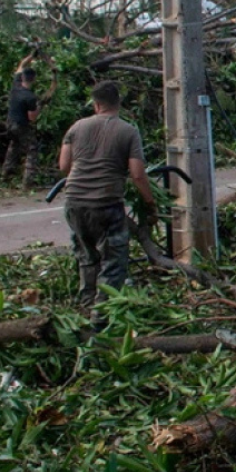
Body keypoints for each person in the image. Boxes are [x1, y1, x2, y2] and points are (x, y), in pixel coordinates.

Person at [58, 81, 156, 322]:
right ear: (118, 104)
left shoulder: (76, 127)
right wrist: (150, 203)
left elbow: (63, 167)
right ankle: (101, 318)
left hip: (74, 203)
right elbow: (137, 174)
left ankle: (86, 306)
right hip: (106, 204)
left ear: (96, 104)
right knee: (113, 260)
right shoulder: (128, 131)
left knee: (86, 255)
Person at [3, 63, 41, 188]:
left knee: (14, 145)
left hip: (9, 123)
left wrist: (31, 56)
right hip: (20, 125)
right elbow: (32, 118)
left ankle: (6, 175)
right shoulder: (30, 97)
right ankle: (28, 181)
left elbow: (21, 65)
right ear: (34, 79)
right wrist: (38, 107)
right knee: (32, 148)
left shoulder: (15, 87)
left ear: (22, 76)